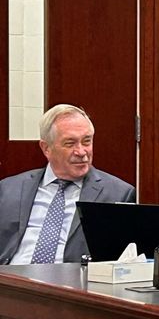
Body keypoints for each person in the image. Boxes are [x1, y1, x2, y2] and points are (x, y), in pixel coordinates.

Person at [0, 104, 136, 264]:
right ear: (46, 148)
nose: (81, 152)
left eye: (87, 141)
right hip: (11, 282)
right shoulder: (9, 189)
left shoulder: (118, 194)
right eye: (70, 143)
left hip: (72, 283)